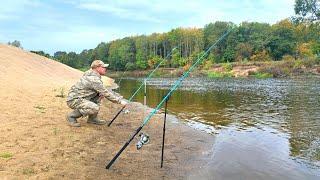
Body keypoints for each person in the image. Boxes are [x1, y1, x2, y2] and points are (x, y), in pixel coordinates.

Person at [66, 60, 128, 127]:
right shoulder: (94, 79)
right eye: (103, 67)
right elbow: (105, 92)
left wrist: (99, 94)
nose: (105, 69)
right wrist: (120, 101)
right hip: (73, 100)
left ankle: (92, 119)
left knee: (99, 95)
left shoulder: (93, 75)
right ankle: (71, 117)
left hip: (81, 98)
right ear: (97, 68)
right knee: (94, 108)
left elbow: (102, 91)